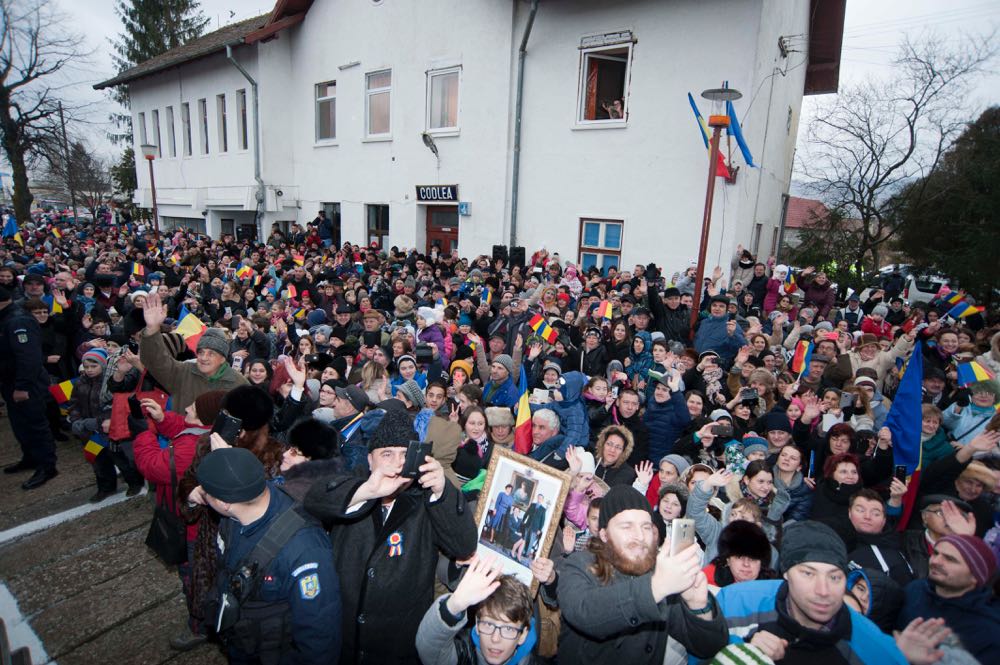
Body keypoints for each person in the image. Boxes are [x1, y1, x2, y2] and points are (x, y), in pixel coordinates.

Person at [303, 409, 478, 664]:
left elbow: (463, 545)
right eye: (387, 454)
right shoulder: (354, 485)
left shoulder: (426, 501)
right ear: (370, 459)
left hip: (398, 645)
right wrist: (368, 491)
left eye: (405, 455)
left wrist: (442, 492)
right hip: (343, 640)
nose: (397, 463)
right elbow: (315, 500)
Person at [191, 447, 341, 664]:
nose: (201, 493)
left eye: (206, 492)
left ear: (224, 503)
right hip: (244, 642)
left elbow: (320, 634)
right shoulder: (234, 517)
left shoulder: (305, 550)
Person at [714, 521, 940, 664]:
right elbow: (700, 652)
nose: (823, 591)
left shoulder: (869, 643)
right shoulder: (736, 601)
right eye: (808, 574)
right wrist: (741, 649)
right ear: (785, 574)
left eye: (834, 577)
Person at [558, 485, 729, 663]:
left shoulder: (659, 573)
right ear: (604, 534)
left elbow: (709, 647)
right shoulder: (578, 565)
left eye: (646, 527)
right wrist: (656, 587)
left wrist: (699, 606)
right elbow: (585, 612)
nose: (639, 536)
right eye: (627, 527)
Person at [897, 534, 1000, 662]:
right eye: (935, 553)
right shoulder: (915, 589)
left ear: (975, 576)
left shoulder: (989, 632)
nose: (935, 561)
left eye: (950, 559)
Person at [416, 557, 537, 665]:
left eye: (508, 629)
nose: (495, 639)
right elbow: (429, 650)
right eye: (488, 624)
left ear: (523, 634)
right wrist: (455, 604)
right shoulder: (464, 652)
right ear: (477, 624)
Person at [140, 291, 247, 412]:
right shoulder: (183, 372)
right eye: (201, 352)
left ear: (223, 358)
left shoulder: (239, 384)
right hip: (181, 430)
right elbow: (156, 361)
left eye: (211, 353)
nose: (204, 357)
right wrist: (152, 329)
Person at [0, 285, 59, 489]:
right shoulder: (8, 318)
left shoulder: (18, 320)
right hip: (10, 381)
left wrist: (22, 386)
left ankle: (47, 465)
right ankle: (31, 457)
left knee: (35, 424)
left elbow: (28, 358)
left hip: (26, 383)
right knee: (20, 424)